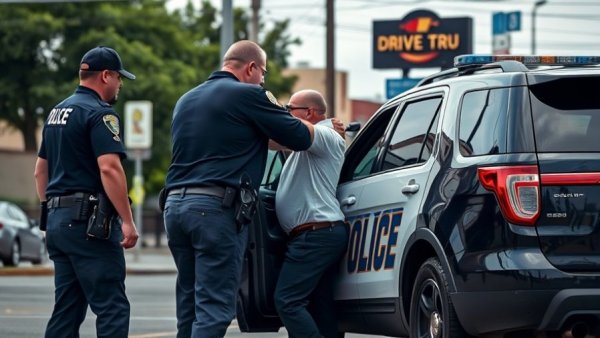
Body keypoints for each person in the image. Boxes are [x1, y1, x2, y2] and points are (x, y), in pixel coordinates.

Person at [163, 40, 314, 338]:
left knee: (190, 304)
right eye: (263, 73)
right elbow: (300, 138)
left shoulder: (187, 99)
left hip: (175, 208)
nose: (263, 80)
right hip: (214, 212)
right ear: (251, 68)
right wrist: (319, 128)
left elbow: (235, 139)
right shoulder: (249, 94)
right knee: (214, 309)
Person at [33, 46, 139, 338]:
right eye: (119, 78)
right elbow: (110, 169)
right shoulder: (101, 114)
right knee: (112, 307)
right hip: (89, 226)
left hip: (58, 223)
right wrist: (127, 220)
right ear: (106, 75)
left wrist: (50, 212)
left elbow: (40, 170)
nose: (119, 84)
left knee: (67, 310)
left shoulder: (57, 112)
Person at [274, 89, 348, 338]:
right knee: (320, 305)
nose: (285, 115)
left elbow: (284, 130)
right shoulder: (306, 143)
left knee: (287, 300)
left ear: (309, 113)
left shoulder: (326, 135)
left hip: (316, 233)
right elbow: (272, 138)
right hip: (317, 233)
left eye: (289, 109)